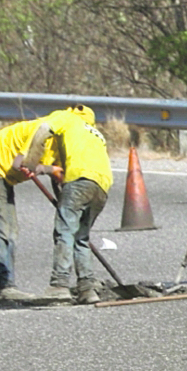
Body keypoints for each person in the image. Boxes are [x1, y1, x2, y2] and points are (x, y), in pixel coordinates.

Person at [20, 105, 114, 304]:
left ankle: (59, 285)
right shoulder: (96, 134)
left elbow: (43, 130)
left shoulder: (67, 118)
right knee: (81, 236)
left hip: (79, 179)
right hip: (103, 186)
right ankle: (87, 289)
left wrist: (30, 162)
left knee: (64, 232)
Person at [0, 116, 61, 304]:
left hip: (3, 175)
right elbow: (20, 166)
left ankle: (6, 285)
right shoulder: (44, 132)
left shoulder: (65, 142)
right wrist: (50, 170)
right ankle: (3, 287)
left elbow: (60, 178)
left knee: (10, 232)